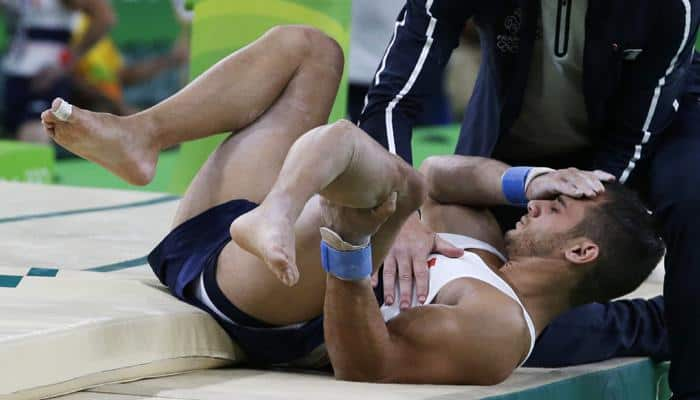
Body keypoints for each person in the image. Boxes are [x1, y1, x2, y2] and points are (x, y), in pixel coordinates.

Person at [39, 26, 664, 384]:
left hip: (272, 303)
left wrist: (349, 253)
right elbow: (444, 171)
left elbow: (368, 366)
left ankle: (280, 214)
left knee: (383, 176)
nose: (538, 208)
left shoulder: (498, 328)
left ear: (582, 251)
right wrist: (527, 181)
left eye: (557, 209)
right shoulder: (486, 246)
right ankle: (144, 136)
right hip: (220, 249)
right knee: (310, 51)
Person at [358, 2, 700, 397]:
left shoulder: (671, 8)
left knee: (691, 196)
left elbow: (630, 143)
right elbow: (393, 99)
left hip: (651, 129)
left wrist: (574, 213)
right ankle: (663, 321)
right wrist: (399, 215)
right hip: (518, 140)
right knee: (514, 334)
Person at [1, 0, 115, 142]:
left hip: (46, 73)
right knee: (14, 143)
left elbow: (104, 17)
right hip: (14, 73)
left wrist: (66, 63)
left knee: (34, 133)